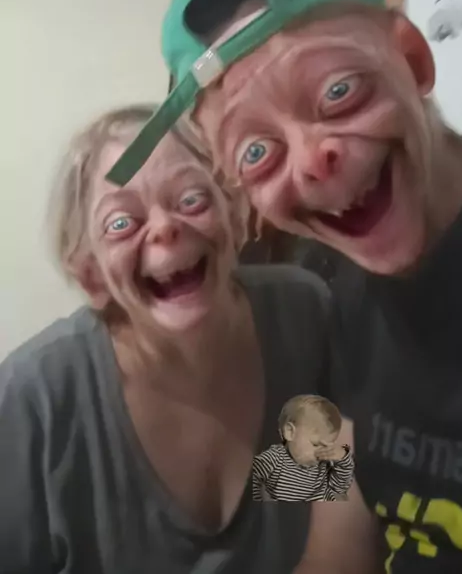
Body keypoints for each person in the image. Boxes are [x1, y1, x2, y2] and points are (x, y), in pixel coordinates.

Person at [107, 0, 462, 574]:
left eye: (339, 93)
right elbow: (339, 525)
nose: (312, 161)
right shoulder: (337, 292)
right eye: (257, 152)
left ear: (412, 60)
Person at [0, 104, 338, 574]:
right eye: (121, 224)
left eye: (191, 199)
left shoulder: (303, 314)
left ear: (234, 214)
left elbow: (338, 515)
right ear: (92, 276)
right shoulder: (32, 399)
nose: (164, 228)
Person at [252, 394, 354, 502]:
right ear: (290, 432)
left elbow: (340, 488)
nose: (321, 452)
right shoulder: (274, 460)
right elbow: (252, 482)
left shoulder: (324, 465)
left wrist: (342, 458)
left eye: (327, 446)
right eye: (315, 444)